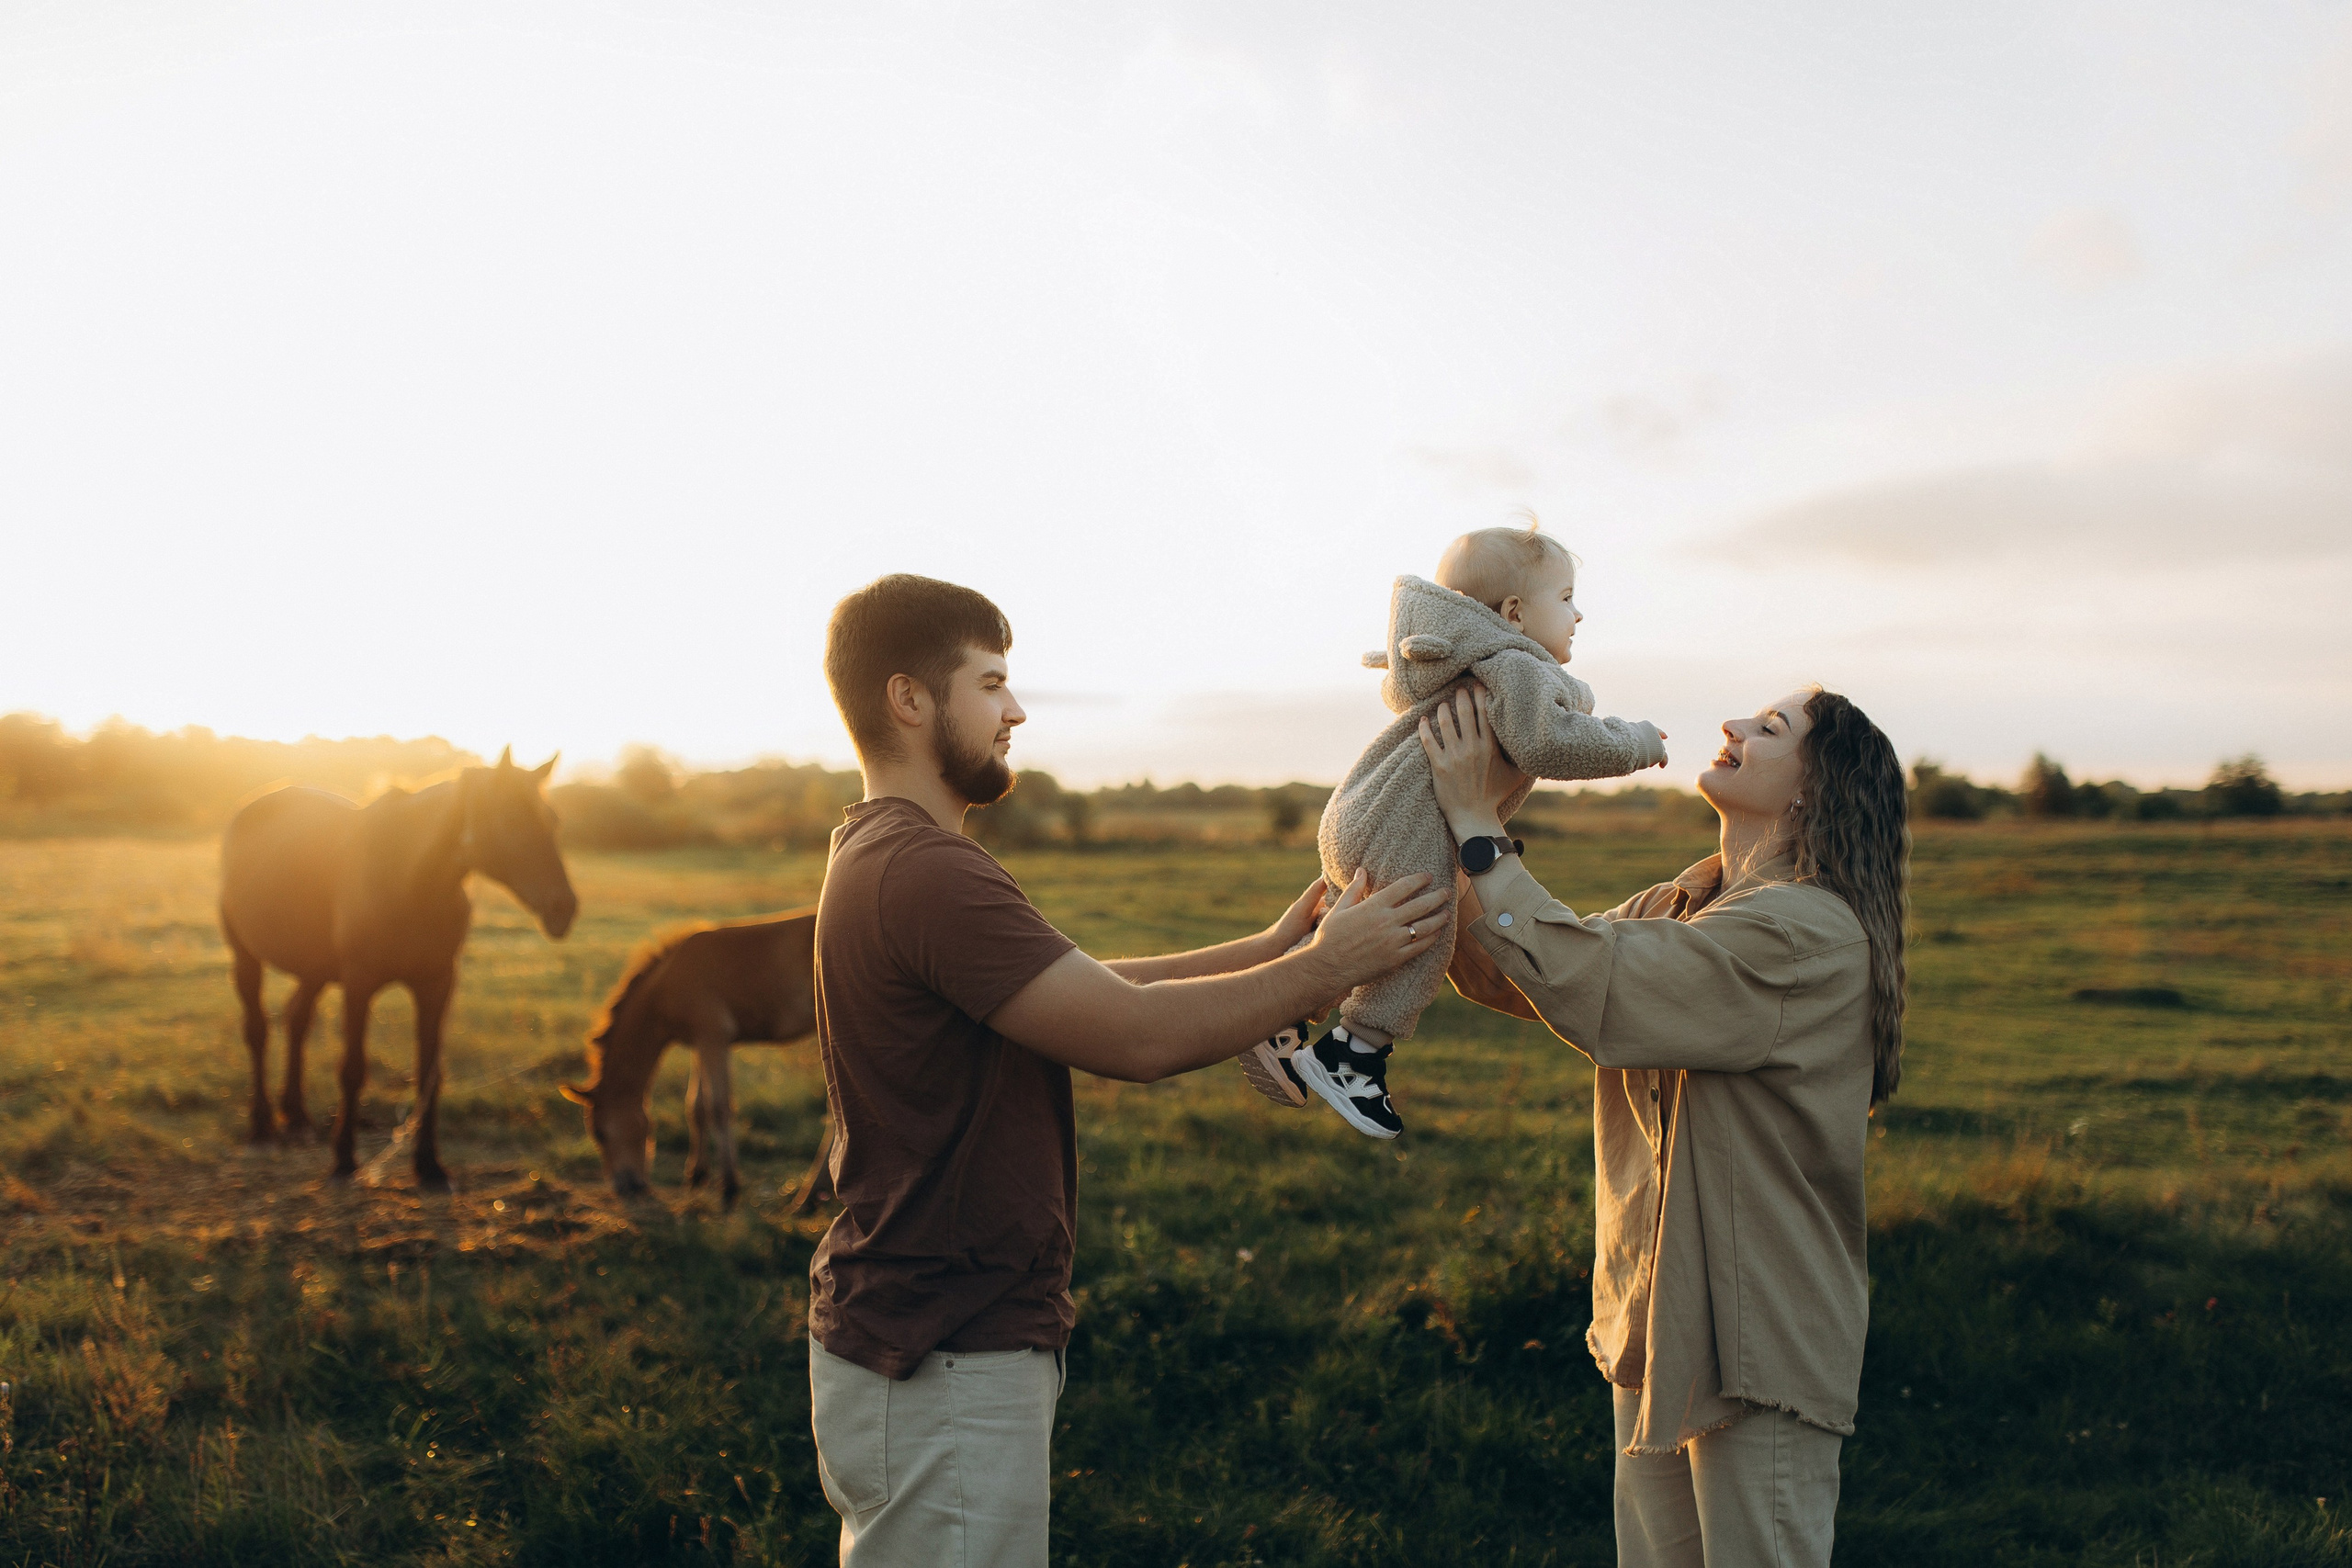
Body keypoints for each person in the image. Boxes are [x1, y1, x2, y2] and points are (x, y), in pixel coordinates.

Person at [807, 573, 1448, 1568]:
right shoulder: (928, 869)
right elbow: (1134, 1037)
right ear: (909, 699)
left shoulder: (888, 852)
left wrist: (1267, 950)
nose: (1015, 710)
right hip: (945, 1344)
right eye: (990, 684)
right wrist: (1330, 966)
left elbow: (1085, 990)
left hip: (926, 1333)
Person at [1422, 682, 1908, 1568]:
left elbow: (1596, 984)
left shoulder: (1805, 932)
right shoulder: (1685, 904)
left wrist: (1475, 819)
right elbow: (1521, 967)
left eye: (1770, 729)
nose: (1731, 726)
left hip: (1757, 1345)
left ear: (1814, 788)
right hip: (1656, 1326)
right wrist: (1450, 827)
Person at [1235, 520, 1667, 1139]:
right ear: (1515, 612)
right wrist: (1636, 742)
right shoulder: (1517, 665)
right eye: (1567, 599)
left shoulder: (1467, 661)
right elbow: (1549, 742)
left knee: (1367, 926)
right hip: (1408, 821)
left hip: (1362, 809)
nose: (1579, 615)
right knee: (1423, 930)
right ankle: (1353, 1053)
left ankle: (1273, 1011)